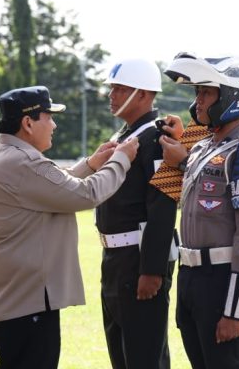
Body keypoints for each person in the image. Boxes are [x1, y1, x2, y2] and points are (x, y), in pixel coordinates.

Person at [0, 85, 139, 369]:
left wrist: (91, 163)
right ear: (28, 123)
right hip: (27, 301)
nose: (54, 124)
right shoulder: (23, 162)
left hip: (8, 298)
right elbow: (85, 194)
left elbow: (51, 186)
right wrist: (122, 159)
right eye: (48, 117)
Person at [159, 53, 239, 369]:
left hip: (224, 284)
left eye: (206, 93)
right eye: (198, 93)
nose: (198, 102)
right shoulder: (204, 148)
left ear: (233, 96)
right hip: (192, 278)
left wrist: (235, 311)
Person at [95, 58, 177, 369]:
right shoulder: (125, 137)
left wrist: (153, 270)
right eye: (112, 88)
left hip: (139, 260)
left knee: (145, 357)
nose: (111, 95)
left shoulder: (158, 139)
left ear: (143, 94)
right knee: (122, 356)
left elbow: (163, 207)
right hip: (115, 261)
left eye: (119, 88)